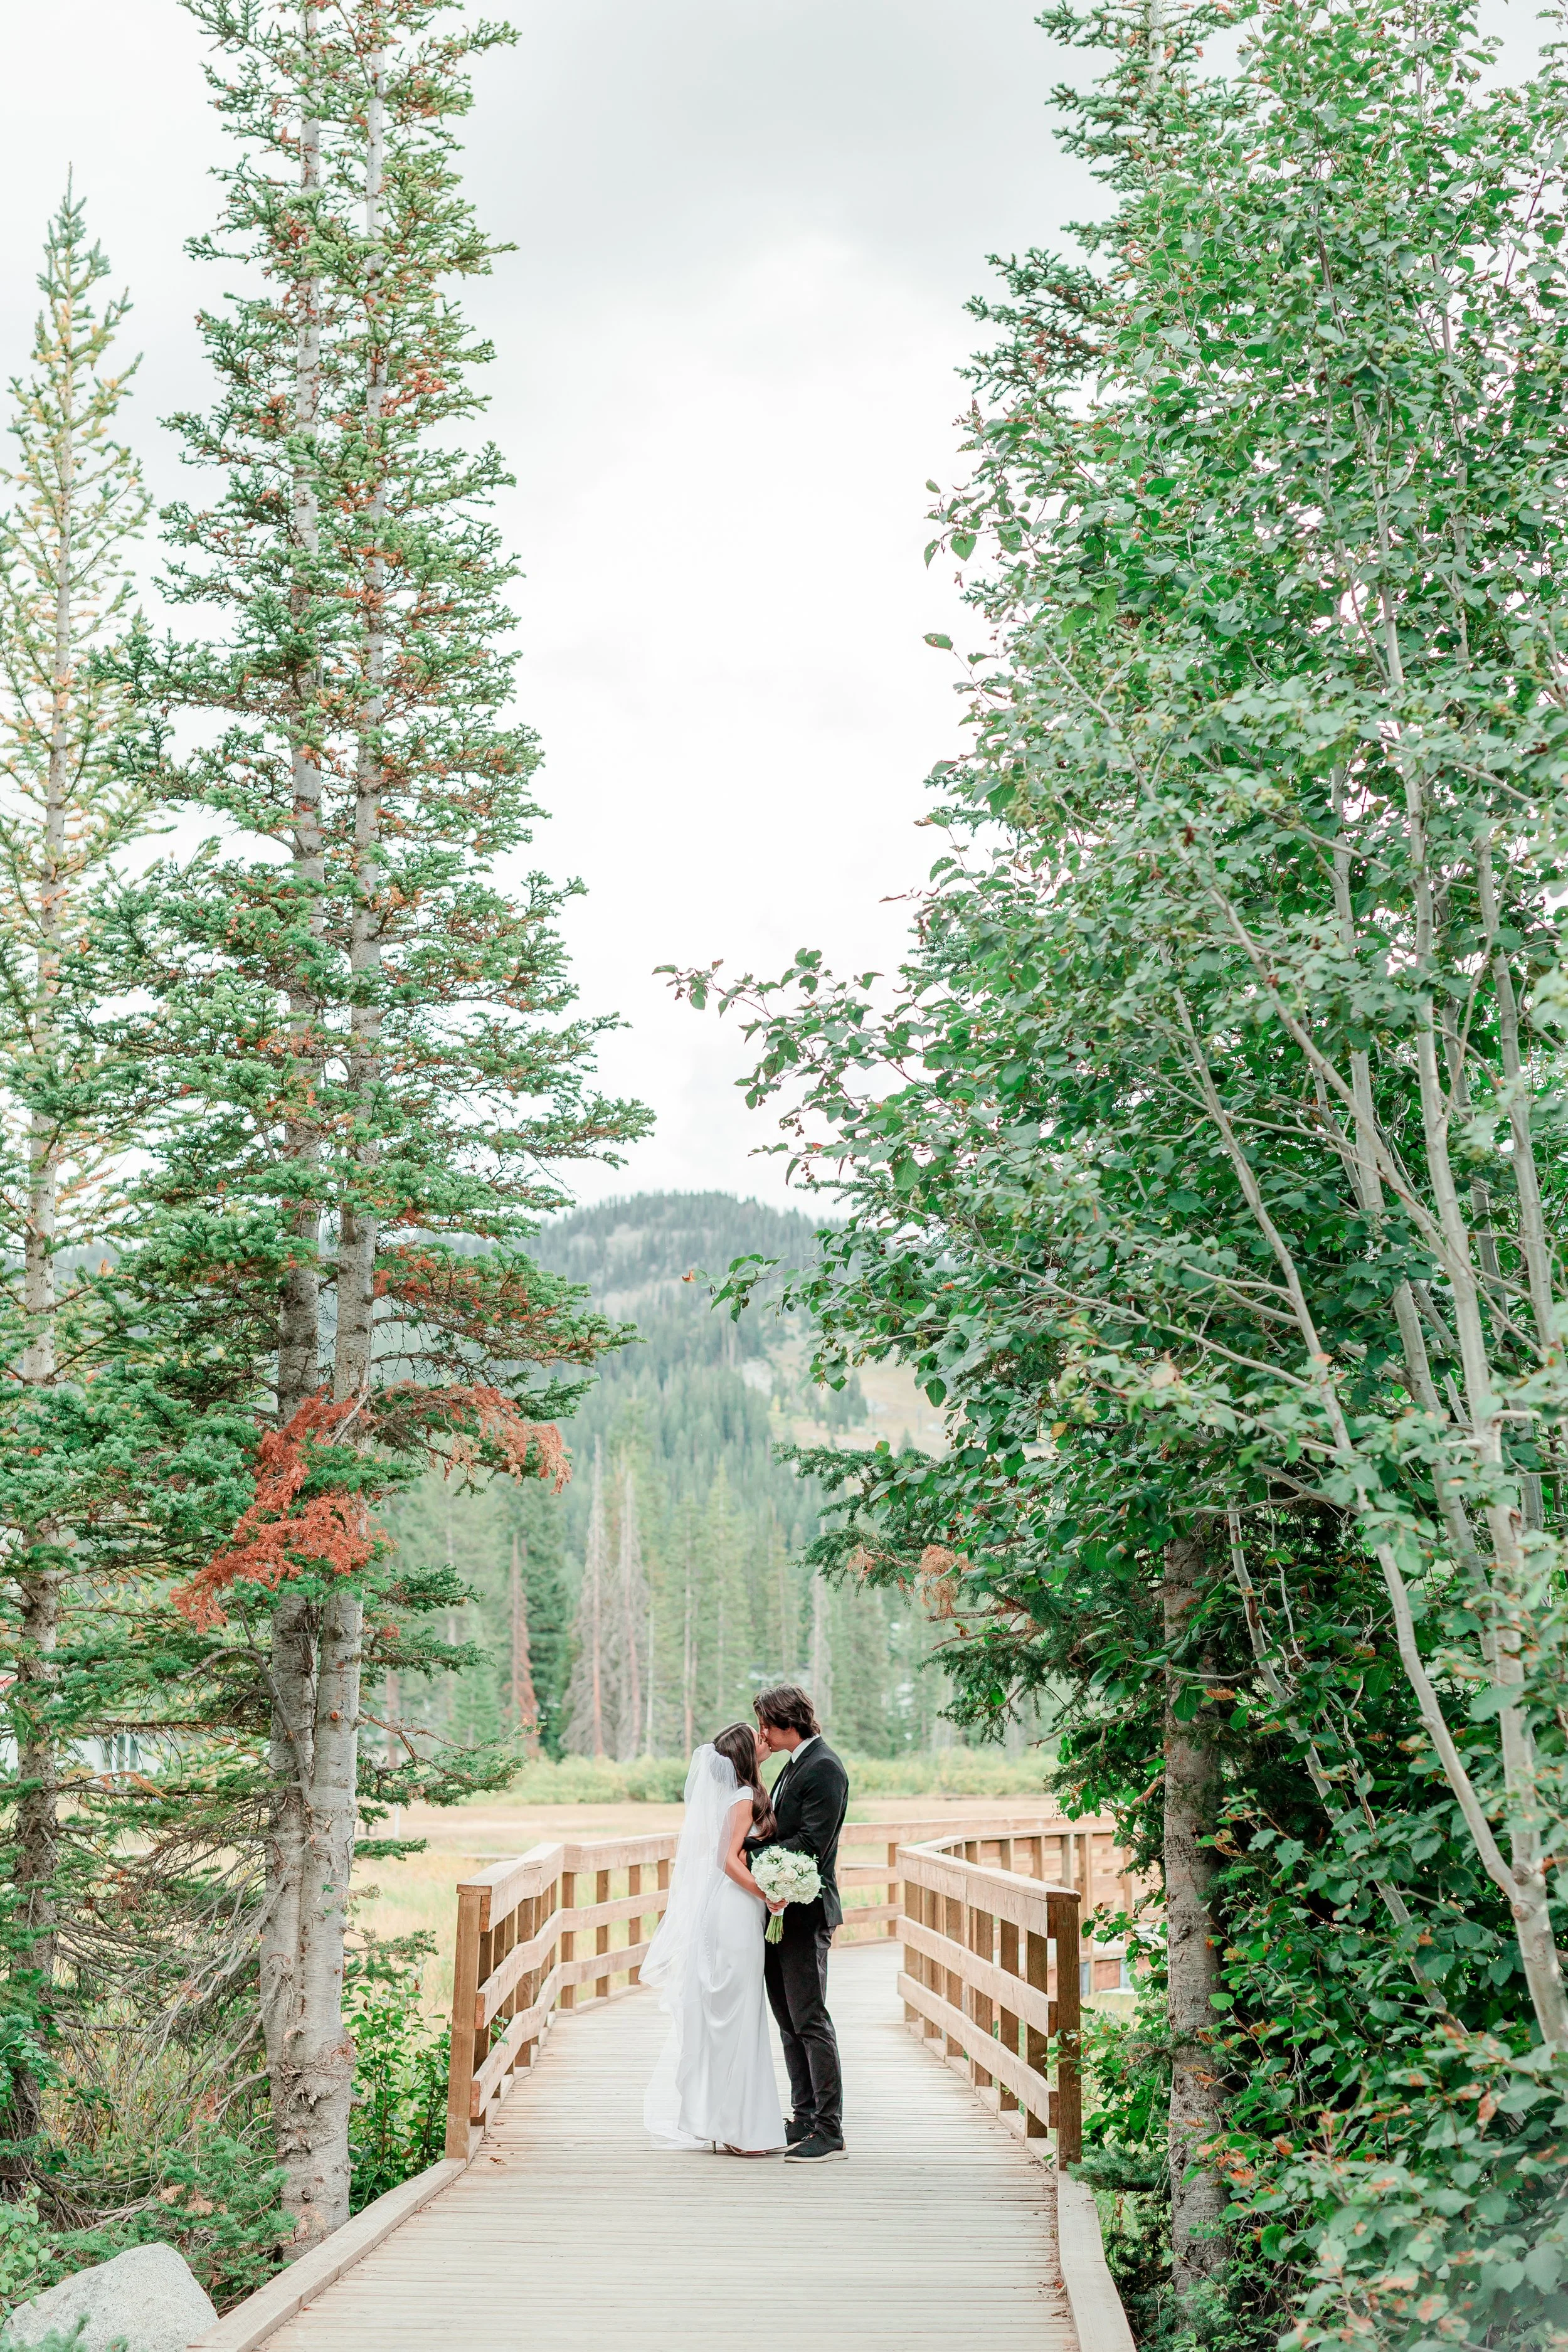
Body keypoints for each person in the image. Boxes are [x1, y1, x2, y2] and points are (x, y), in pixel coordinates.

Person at [641, 1722, 787, 2155]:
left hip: (739, 1909)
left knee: (738, 2015)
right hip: (737, 1911)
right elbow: (727, 1860)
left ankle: (732, 2123)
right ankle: (737, 2129)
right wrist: (769, 1894)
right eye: (757, 1737)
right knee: (738, 2016)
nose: (765, 1739)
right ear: (745, 1754)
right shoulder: (743, 1798)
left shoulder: (743, 1795)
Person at [751, 1683, 849, 2163]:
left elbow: (811, 1843)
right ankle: (804, 2117)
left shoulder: (824, 1768)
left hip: (808, 1911)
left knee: (810, 2019)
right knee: (788, 2020)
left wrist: (748, 1853)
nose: (762, 1733)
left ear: (786, 1722)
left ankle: (830, 2131)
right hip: (781, 1910)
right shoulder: (794, 1765)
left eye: (765, 1723)